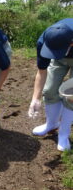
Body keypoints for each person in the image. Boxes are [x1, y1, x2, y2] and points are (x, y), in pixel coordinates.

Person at [28, 18, 73, 151]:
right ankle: (51, 124)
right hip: (60, 59)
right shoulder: (44, 41)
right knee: (49, 90)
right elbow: (41, 72)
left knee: (71, 96)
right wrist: (35, 99)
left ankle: (64, 135)